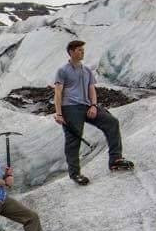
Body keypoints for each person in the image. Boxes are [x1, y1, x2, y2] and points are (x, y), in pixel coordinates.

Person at [53, 40, 133, 185]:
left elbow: (91, 89)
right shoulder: (63, 70)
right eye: (79, 50)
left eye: (83, 50)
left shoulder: (86, 70)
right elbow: (58, 93)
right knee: (73, 140)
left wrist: (94, 105)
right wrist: (59, 113)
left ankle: (115, 159)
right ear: (71, 52)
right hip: (70, 108)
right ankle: (75, 174)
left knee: (111, 122)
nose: (82, 52)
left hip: (87, 106)